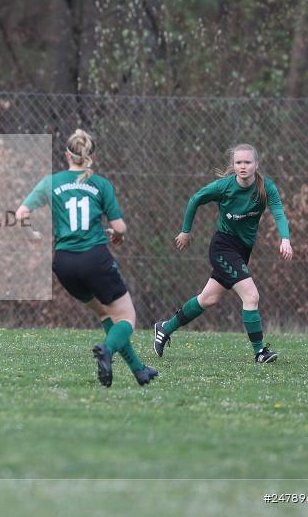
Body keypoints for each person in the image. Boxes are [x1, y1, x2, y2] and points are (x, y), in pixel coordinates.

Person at [15, 129, 157, 387]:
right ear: (92, 156)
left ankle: (139, 370)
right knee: (126, 318)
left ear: (66, 155)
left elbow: (21, 213)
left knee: (105, 313)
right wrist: (117, 235)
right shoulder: (100, 184)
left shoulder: (51, 182)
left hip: (64, 264)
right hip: (94, 258)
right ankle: (106, 350)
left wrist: (31, 235)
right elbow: (121, 227)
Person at [154, 143, 292, 363]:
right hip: (223, 248)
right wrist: (185, 231)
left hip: (242, 250)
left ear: (256, 164)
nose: (243, 166)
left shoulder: (266, 188)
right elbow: (195, 199)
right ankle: (259, 353)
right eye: (239, 162)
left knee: (208, 299)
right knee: (251, 296)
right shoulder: (224, 187)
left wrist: (285, 238)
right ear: (233, 165)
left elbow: (278, 212)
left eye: (248, 162)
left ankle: (165, 328)